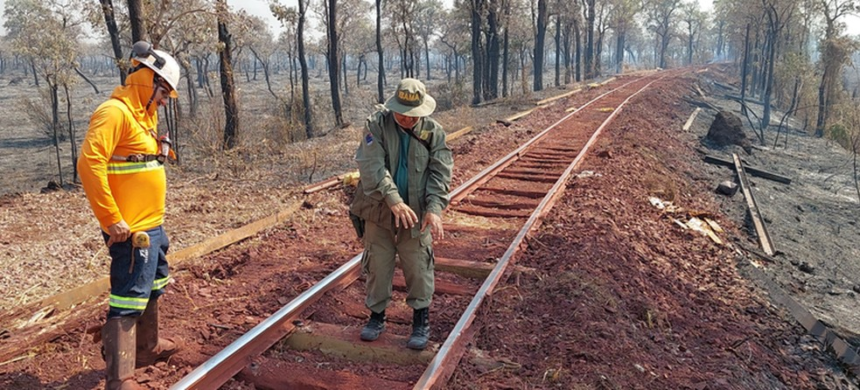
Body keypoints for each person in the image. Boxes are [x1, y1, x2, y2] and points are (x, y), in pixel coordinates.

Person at [78, 41, 181, 390]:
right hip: (130, 229)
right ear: (147, 80)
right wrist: (111, 219)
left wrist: (160, 150)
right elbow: (89, 165)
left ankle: (147, 348)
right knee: (128, 294)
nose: (166, 100)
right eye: (164, 92)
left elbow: (133, 160)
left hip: (152, 224)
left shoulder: (143, 117)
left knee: (153, 283)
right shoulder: (114, 112)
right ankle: (119, 379)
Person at [350, 78, 453, 350]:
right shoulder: (376, 125)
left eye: (412, 116)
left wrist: (434, 209)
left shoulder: (434, 132)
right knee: (378, 264)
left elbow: (440, 174)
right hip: (379, 210)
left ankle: (420, 321)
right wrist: (393, 199)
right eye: (401, 114)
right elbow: (371, 165)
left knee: (419, 265)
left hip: (416, 214)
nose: (406, 119)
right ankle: (376, 316)